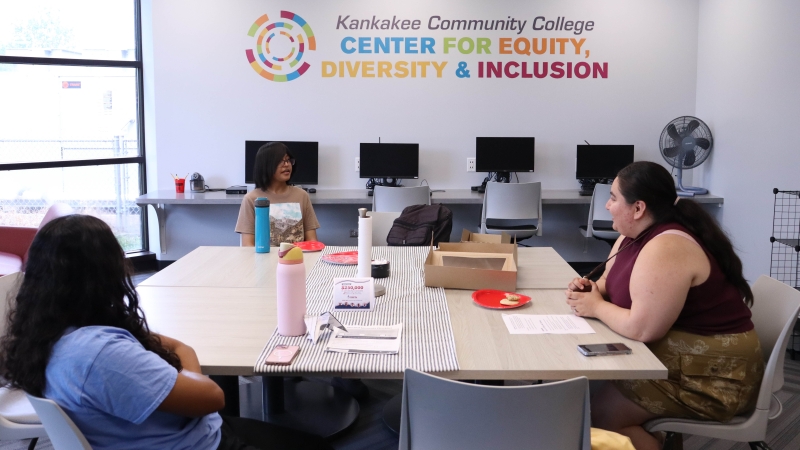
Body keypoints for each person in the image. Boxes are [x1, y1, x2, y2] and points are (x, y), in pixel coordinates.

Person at [0, 214, 332, 450]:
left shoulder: (44, 334)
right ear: (105, 271)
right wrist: (185, 350)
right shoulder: (100, 355)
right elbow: (211, 398)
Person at [564, 162, 764, 450]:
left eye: (613, 198)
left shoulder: (667, 246)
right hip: (681, 358)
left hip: (715, 373)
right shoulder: (632, 235)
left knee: (599, 417)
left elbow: (643, 328)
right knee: (587, 389)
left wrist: (595, 307)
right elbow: (609, 282)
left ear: (638, 208)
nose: (607, 206)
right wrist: (590, 290)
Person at [236, 142, 319, 245]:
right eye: (281, 161)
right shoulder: (251, 199)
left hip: (297, 259)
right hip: (263, 260)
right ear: (266, 165)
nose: (287, 164)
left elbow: (312, 241)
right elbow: (247, 246)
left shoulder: (302, 195)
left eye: (288, 160)